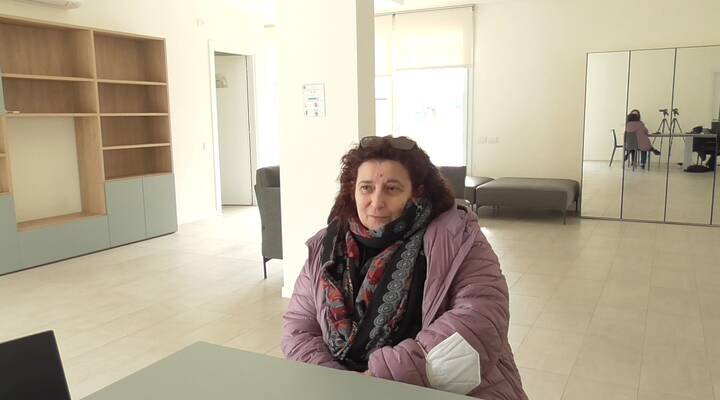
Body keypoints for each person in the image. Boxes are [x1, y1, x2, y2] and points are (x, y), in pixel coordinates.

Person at [281, 135, 527, 399]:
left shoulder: (457, 237)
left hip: (438, 387)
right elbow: (299, 327)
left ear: (415, 193)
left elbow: (481, 320)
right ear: (352, 190)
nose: (376, 201)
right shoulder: (326, 247)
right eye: (366, 188)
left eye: (392, 189)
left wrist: (379, 379)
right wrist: (335, 380)